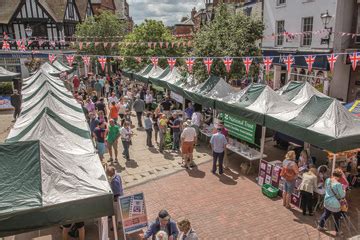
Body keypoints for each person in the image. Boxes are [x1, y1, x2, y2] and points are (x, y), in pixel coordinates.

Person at [318, 169, 346, 236]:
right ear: (339, 177)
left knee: (326, 214)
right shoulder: (338, 184)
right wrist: (343, 190)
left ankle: (320, 226)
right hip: (335, 204)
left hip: (327, 200)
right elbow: (342, 195)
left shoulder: (328, 180)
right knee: (337, 218)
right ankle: (337, 231)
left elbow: (325, 187)